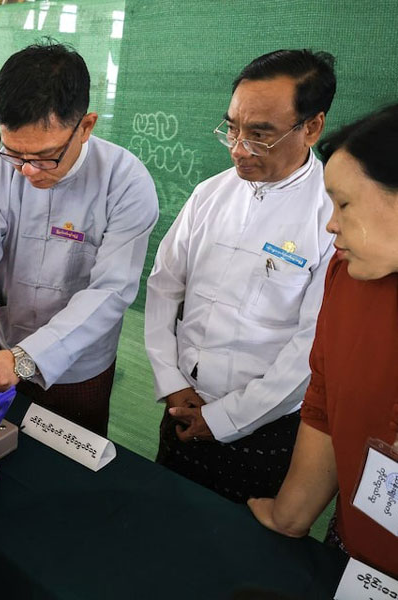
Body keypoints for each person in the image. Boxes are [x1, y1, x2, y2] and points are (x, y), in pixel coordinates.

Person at [0, 41, 159, 450]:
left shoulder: (125, 182)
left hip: (81, 369)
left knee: (69, 468)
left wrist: (25, 359)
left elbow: (110, 292)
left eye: (45, 156)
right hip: (3, 354)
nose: (28, 170)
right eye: (14, 153)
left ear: (86, 126)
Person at [144, 49, 337, 503]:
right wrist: (171, 381)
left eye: (260, 135)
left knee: (241, 539)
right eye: (232, 128)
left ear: (312, 127)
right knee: (162, 513)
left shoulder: (331, 215)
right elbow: (164, 286)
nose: (238, 148)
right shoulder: (210, 194)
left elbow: (312, 348)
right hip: (182, 404)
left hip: (264, 427)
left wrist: (226, 417)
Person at [249, 104, 398, 577]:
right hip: (356, 546)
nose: (332, 225)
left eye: (345, 204)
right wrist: (289, 515)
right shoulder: (349, 274)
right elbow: (324, 401)